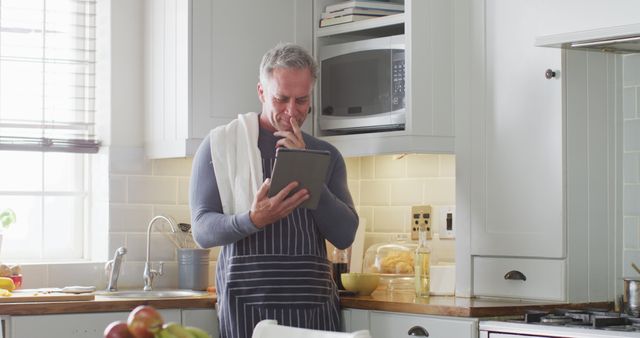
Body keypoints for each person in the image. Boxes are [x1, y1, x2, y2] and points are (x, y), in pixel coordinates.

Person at [189, 42, 359, 338]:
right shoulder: (222, 147)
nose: (292, 112)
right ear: (261, 92)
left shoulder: (326, 155)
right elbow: (202, 230)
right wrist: (252, 220)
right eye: (281, 99)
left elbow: (345, 234)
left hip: (312, 308)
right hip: (247, 307)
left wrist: (310, 171)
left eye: (302, 100)